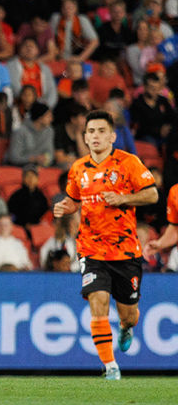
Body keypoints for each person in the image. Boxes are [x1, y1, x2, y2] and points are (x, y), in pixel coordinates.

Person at [53, 110, 159, 380]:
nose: (96, 136)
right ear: (85, 138)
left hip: (125, 251)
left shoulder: (128, 163)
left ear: (112, 136)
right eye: (91, 132)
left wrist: (123, 198)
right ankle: (110, 366)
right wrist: (66, 207)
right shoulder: (78, 168)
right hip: (91, 248)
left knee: (129, 315)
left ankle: (125, 328)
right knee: (97, 301)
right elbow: (75, 200)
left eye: (101, 131)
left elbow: (152, 194)